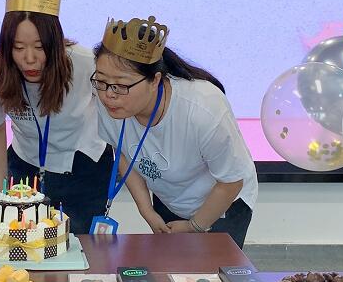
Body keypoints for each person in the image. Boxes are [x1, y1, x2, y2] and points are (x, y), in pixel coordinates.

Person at [91, 14, 258, 247]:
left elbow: (231, 181)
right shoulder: (108, 101)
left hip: (223, 203)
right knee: (170, 265)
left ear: (155, 80)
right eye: (101, 81)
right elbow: (123, 153)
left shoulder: (203, 110)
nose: (109, 94)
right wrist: (147, 210)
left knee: (212, 269)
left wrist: (194, 226)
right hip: (169, 197)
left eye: (121, 84)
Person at [0, 0, 113, 231]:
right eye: (18, 48)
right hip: (25, 165)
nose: (29, 59)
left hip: (83, 165)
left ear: (55, 42)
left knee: (80, 244)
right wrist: (2, 190)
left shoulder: (86, 64)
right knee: (24, 243)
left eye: (40, 47)